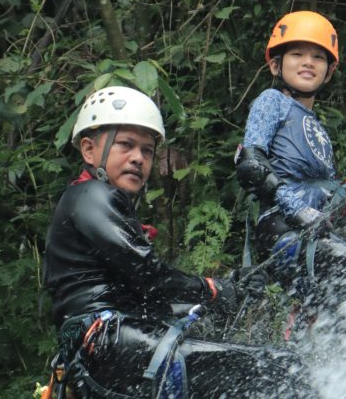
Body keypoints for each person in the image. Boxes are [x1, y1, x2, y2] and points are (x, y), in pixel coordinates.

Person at [42, 86, 297, 398]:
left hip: (105, 349)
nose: (137, 158)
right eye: (126, 145)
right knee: (281, 369)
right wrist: (212, 289)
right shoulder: (90, 195)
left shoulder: (91, 205)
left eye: (147, 151)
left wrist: (228, 289)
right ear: (89, 150)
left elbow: (149, 296)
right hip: (111, 341)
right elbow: (149, 275)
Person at [235, 11, 346, 305]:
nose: (308, 62)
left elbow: (331, 203)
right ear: (276, 64)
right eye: (297, 54)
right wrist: (297, 209)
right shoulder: (272, 102)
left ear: (329, 71)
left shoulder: (317, 128)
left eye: (318, 57)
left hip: (312, 236)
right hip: (284, 233)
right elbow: (251, 163)